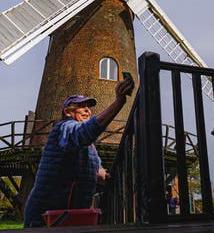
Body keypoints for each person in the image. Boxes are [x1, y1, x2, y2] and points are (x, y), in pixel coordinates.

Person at [23, 77, 135, 227]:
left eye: (88, 107)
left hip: (70, 216)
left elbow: (99, 173)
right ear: (68, 112)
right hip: (46, 218)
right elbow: (85, 132)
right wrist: (118, 102)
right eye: (82, 106)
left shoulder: (90, 148)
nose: (88, 110)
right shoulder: (64, 128)